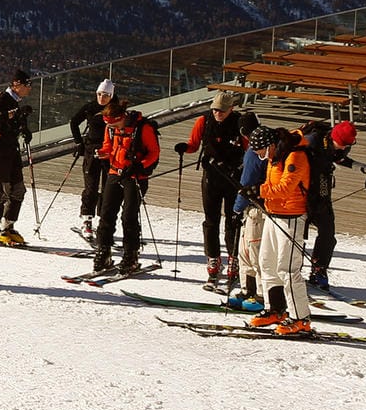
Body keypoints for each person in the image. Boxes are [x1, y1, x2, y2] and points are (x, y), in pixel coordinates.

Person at [174, 91, 247, 283]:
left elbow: (249, 150)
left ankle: (233, 258)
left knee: (233, 219)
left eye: (222, 110)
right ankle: (213, 257)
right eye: (215, 109)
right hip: (211, 176)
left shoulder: (239, 123)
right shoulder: (203, 121)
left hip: (233, 178)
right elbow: (194, 144)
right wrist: (185, 148)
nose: (218, 113)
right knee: (211, 219)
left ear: (231, 109)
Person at [252, 127, 315, 335]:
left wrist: (259, 191)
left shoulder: (295, 156)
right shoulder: (276, 156)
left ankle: (300, 318)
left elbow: (286, 188)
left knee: (288, 268)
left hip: (292, 218)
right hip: (273, 214)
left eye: (259, 150)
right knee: (266, 262)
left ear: (270, 145)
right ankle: (275, 308)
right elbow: (273, 184)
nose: (258, 155)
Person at [91, 99, 161, 272]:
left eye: (114, 124)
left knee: (129, 216)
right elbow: (109, 146)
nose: (112, 128)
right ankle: (103, 251)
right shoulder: (110, 128)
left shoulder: (142, 128)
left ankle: (131, 255)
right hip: (115, 173)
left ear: (121, 117)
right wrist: (102, 152)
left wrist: (141, 165)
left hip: (136, 175)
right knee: (106, 214)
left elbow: (154, 152)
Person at [302, 120, 361, 290]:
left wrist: (358, 166)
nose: (344, 148)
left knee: (328, 233)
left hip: (322, 192)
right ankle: (294, 271)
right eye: (342, 144)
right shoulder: (312, 142)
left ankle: (319, 269)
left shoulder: (336, 144)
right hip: (304, 193)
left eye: (347, 145)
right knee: (299, 235)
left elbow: (338, 157)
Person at [224, 120, 272, 310]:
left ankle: (260, 294)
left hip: (256, 209)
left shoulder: (254, 152)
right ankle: (247, 290)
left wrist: (236, 208)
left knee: (255, 251)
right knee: (245, 251)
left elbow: (247, 182)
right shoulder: (259, 148)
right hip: (252, 209)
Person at [0, 68, 33, 245]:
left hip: (11, 149)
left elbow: (12, 124)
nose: (30, 88)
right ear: (17, 84)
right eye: (28, 84)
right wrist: (15, 115)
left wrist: (24, 129)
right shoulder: (1, 99)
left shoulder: (15, 102)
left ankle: (7, 225)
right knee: (2, 189)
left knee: (18, 189)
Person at [67, 79, 116, 241]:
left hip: (110, 153)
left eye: (106, 95)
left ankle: (104, 222)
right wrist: (79, 143)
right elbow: (74, 122)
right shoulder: (90, 107)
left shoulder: (116, 109)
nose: (102, 98)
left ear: (112, 96)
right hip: (91, 151)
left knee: (108, 189)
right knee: (91, 186)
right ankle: (87, 220)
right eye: (100, 94)